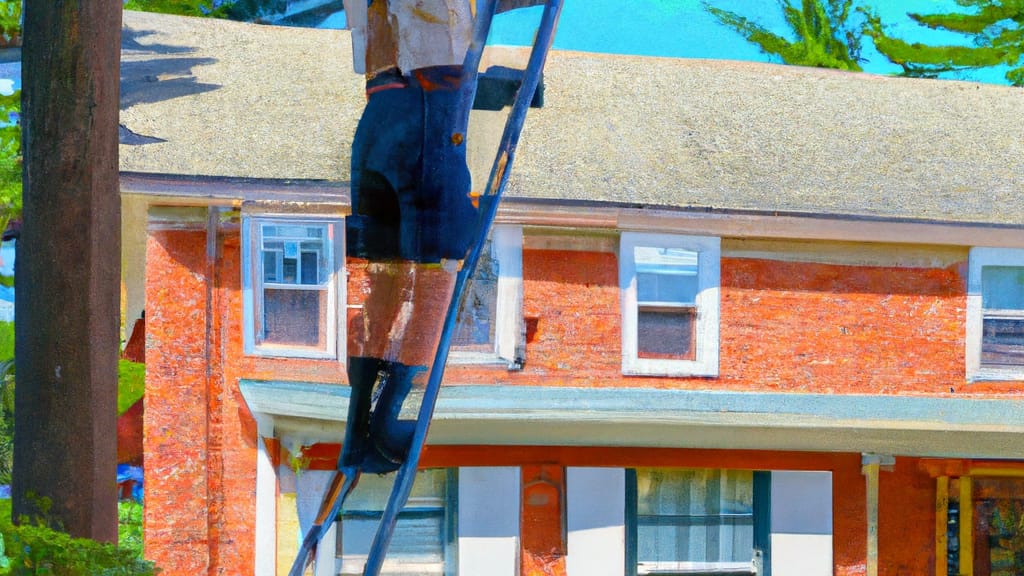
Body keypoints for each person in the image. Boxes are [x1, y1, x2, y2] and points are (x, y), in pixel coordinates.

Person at [340, 0, 480, 473]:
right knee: (437, 273)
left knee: (384, 283)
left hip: (378, 111)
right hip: (428, 106)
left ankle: (356, 431)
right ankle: (388, 416)